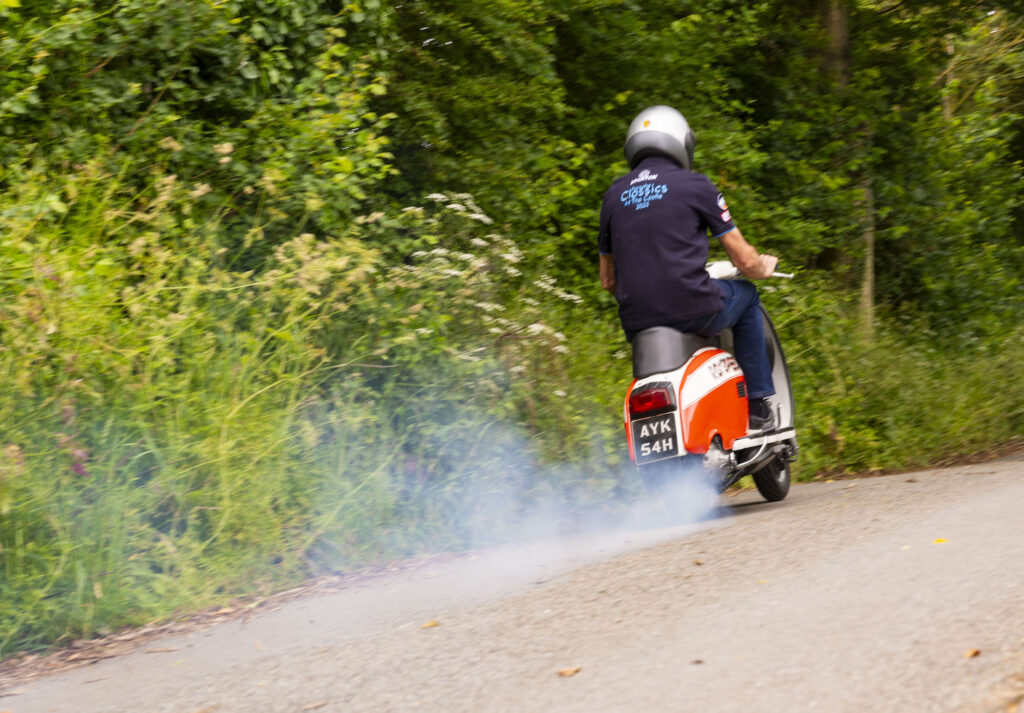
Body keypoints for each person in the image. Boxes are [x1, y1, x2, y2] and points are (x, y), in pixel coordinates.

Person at [597, 105, 778, 432]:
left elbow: (607, 280)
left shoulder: (612, 196)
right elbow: (744, 261)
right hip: (693, 305)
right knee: (748, 296)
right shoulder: (696, 185)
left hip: (637, 320)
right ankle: (758, 405)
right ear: (681, 143)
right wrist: (761, 267)